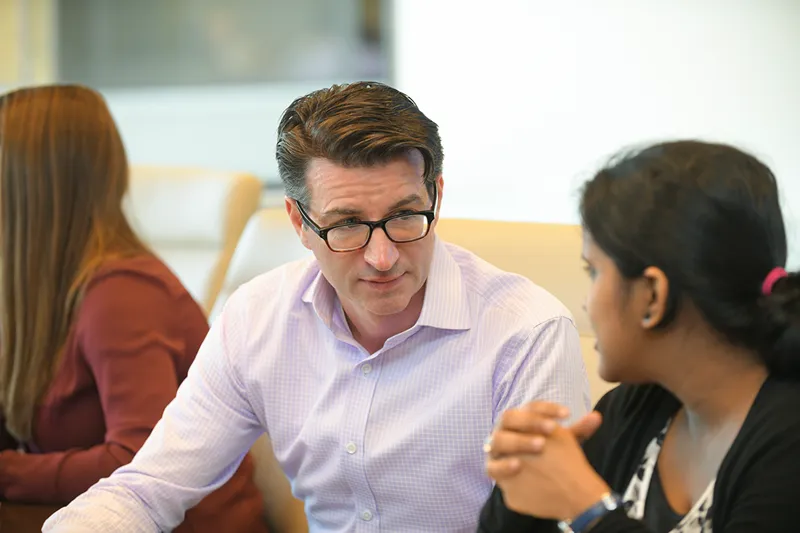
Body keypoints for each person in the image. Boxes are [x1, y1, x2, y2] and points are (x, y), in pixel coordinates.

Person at [44, 81, 590, 532]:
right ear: (299, 222)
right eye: (347, 224)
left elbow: (554, 524)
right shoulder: (257, 318)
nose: (382, 257)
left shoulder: (526, 332)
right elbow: (149, 489)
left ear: (437, 197)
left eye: (405, 216)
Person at [478, 140, 800, 533]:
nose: (586, 303)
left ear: (652, 295)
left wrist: (586, 506)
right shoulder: (635, 407)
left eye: (593, 271)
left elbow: (590, 511)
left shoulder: (787, 442)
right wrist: (524, 485)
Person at [0, 85, 266, 532]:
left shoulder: (122, 294)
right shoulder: (41, 293)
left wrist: (8, 472)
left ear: (27, 189)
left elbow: (139, 459)